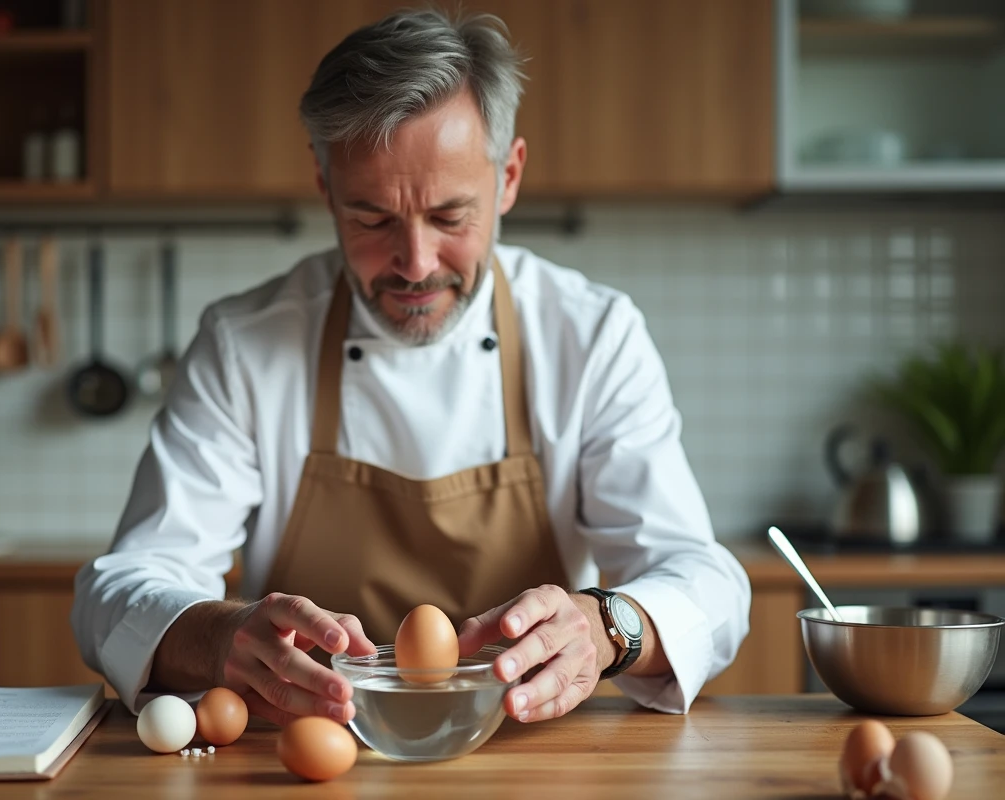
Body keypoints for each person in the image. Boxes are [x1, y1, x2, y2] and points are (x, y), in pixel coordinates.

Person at [72, 8, 750, 726]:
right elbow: (119, 590)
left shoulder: (592, 337)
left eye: (451, 217)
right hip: (307, 755)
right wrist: (220, 638)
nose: (416, 263)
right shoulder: (244, 345)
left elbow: (708, 581)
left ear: (509, 177)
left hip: (533, 753)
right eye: (372, 219)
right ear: (324, 185)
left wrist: (607, 627)